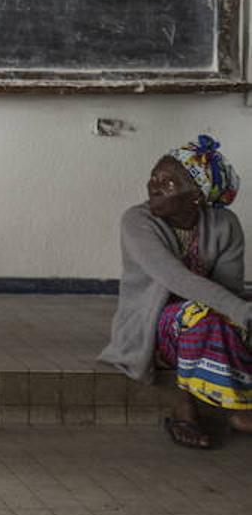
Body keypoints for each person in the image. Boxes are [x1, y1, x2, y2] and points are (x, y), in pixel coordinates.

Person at [100, 135, 252, 449]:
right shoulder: (137, 220)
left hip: (210, 319)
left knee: (214, 315)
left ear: (195, 197)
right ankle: (226, 408)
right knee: (203, 316)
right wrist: (241, 313)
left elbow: (230, 288)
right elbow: (175, 279)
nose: (153, 186)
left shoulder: (225, 224)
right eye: (154, 177)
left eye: (167, 183)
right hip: (151, 324)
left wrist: (240, 313)